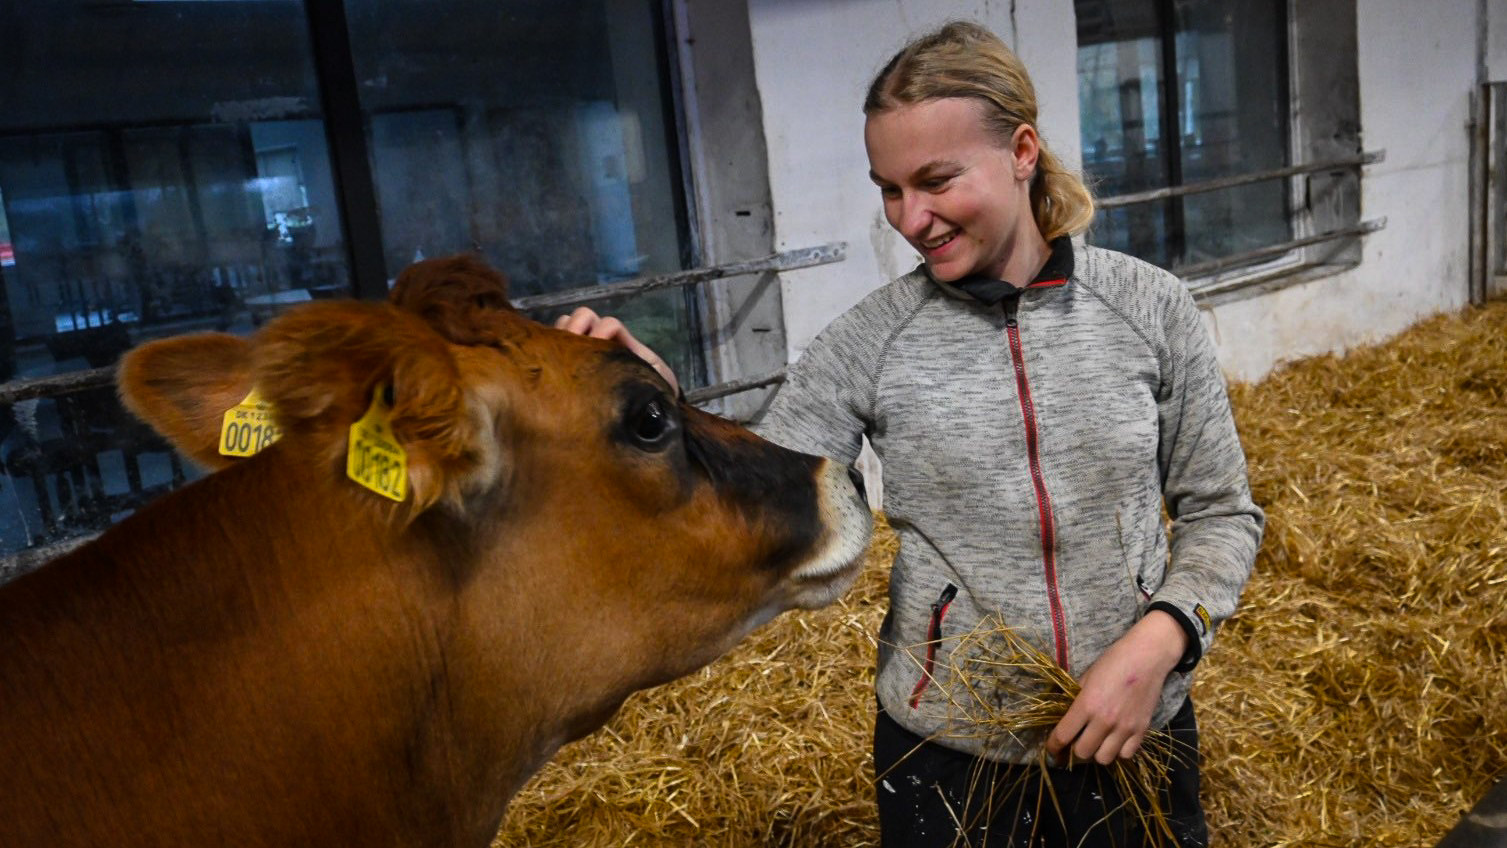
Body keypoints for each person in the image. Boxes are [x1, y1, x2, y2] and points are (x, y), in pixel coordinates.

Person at [555, 20, 1262, 848]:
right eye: (889, 189)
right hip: (947, 759)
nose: (910, 218)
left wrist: (1161, 642)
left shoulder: (1148, 307)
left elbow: (1221, 515)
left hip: (1135, 735)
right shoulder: (867, 342)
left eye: (935, 180)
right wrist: (654, 405)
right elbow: (765, 489)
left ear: (1022, 150)